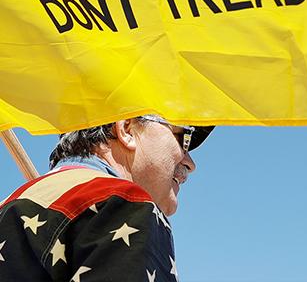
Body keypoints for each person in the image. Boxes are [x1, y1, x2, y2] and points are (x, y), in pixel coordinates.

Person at [0, 114, 214, 281]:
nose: (190, 164)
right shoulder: (125, 203)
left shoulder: (10, 206)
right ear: (127, 129)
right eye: (184, 139)